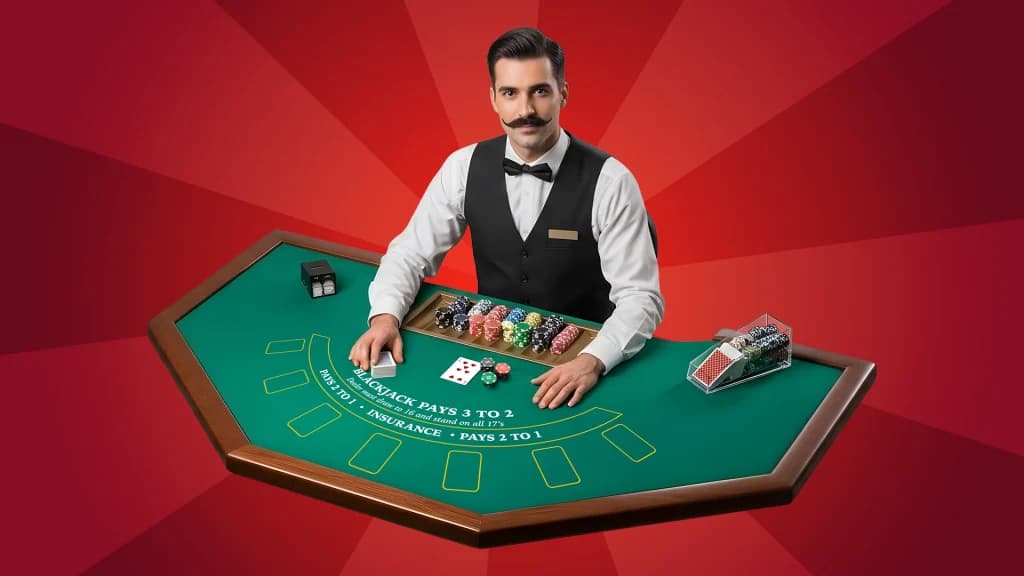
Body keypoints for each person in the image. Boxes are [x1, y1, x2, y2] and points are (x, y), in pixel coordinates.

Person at [349, 27, 664, 409]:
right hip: (491, 348)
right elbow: (409, 254)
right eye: (510, 93)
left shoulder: (611, 181)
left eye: (540, 91)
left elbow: (640, 297)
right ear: (493, 100)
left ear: (563, 93)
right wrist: (384, 317)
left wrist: (592, 361)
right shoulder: (462, 167)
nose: (525, 110)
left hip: (583, 359)